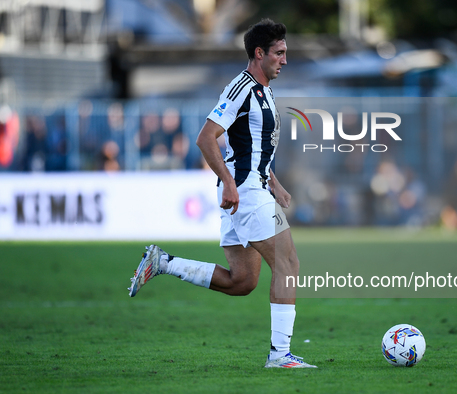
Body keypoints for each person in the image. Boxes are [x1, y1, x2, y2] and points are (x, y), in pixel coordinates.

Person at [127, 19, 316, 369]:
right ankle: (280, 356)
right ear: (259, 54)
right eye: (279, 53)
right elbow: (206, 137)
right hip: (245, 192)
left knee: (242, 282)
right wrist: (230, 183)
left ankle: (163, 263)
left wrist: (274, 181)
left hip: (252, 188)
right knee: (289, 264)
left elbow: (250, 147)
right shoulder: (240, 88)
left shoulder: (264, 91)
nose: (284, 60)